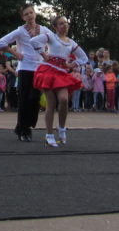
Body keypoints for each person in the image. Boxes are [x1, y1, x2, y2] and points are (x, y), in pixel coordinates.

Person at [30, 16, 88, 147]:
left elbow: (83, 57)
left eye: (66, 23)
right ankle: (49, 134)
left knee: (64, 100)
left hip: (61, 73)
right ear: (55, 27)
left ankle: (61, 128)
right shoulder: (50, 36)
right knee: (51, 103)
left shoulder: (71, 42)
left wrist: (73, 64)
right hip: (48, 71)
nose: (64, 25)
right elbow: (34, 41)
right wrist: (43, 54)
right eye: (61, 23)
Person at [0, 4, 51, 142]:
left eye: (31, 13)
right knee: (24, 100)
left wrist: (48, 55)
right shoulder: (20, 31)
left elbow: (54, 42)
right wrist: (15, 53)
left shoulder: (44, 30)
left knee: (34, 99)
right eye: (26, 14)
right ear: (23, 17)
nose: (29, 16)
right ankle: (24, 130)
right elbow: (1, 43)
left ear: (35, 14)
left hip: (39, 69)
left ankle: (22, 126)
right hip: (25, 68)